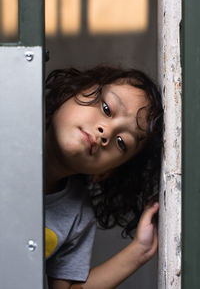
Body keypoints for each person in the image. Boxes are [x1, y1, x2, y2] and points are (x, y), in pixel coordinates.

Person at [45, 65, 163, 289]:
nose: (106, 131)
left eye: (122, 143)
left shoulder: (76, 216)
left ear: (107, 172)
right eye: (107, 109)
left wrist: (140, 250)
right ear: (70, 92)